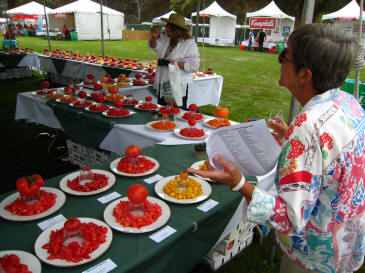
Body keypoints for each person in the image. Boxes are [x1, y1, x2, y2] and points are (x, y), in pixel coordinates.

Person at [188, 23, 365, 273]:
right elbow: (333, 160)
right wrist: (292, 135)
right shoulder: (348, 101)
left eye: (285, 56)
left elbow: (290, 219)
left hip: (315, 256)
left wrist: (238, 182)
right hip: (348, 241)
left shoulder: (308, 128)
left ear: (305, 75)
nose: (279, 61)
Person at [148, 13, 200, 110]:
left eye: (168, 25)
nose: (165, 27)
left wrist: (174, 63)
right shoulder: (165, 38)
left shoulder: (189, 43)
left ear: (175, 28)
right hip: (163, 83)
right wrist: (154, 37)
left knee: (177, 114)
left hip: (178, 85)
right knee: (163, 112)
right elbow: (153, 46)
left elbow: (194, 66)